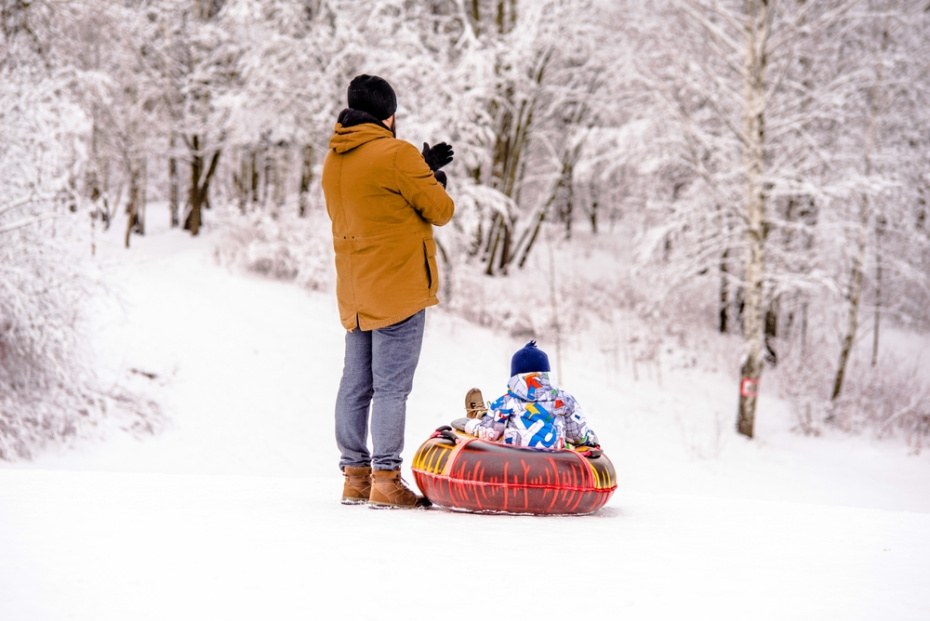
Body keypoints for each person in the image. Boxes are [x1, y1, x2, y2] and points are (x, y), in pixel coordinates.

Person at [321, 74, 455, 508]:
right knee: (392, 388)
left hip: (356, 292)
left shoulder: (334, 159)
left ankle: (354, 476)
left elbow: (377, 206)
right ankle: (386, 479)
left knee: (355, 384)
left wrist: (421, 171)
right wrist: (429, 174)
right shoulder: (397, 153)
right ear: (389, 114)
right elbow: (439, 209)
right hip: (397, 288)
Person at [457, 341, 599, 450]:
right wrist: (589, 437)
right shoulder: (565, 401)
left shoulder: (506, 403)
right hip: (555, 465)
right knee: (567, 440)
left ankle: (480, 416)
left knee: (498, 437)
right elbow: (578, 435)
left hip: (513, 463)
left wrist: (470, 426)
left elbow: (489, 434)